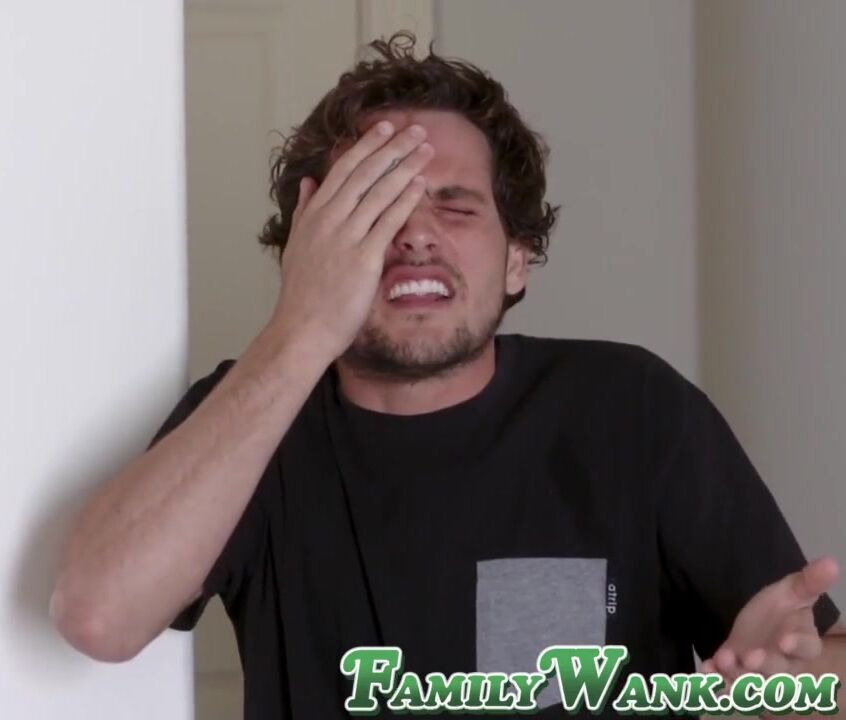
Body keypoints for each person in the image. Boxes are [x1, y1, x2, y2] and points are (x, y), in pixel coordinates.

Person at [51, 33, 843, 719]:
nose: (415, 236)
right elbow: (97, 616)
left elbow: (826, 671)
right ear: (310, 249)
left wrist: (782, 685)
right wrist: (302, 328)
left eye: (456, 208)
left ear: (517, 260)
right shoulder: (250, 416)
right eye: (373, 209)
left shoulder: (633, 409)